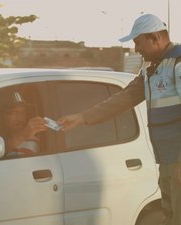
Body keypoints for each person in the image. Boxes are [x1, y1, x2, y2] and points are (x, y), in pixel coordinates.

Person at [57, 14, 181, 225]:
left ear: (155, 38)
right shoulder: (152, 67)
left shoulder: (177, 62)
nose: (136, 49)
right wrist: (82, 118)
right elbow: (125, 97)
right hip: (167, 162)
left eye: (138, 43)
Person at [0, 90, 47, 156]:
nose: (21, 118)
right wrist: (21, 136)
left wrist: (23, 136)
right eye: (15, 113)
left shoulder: (30, 141)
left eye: (23, 113)